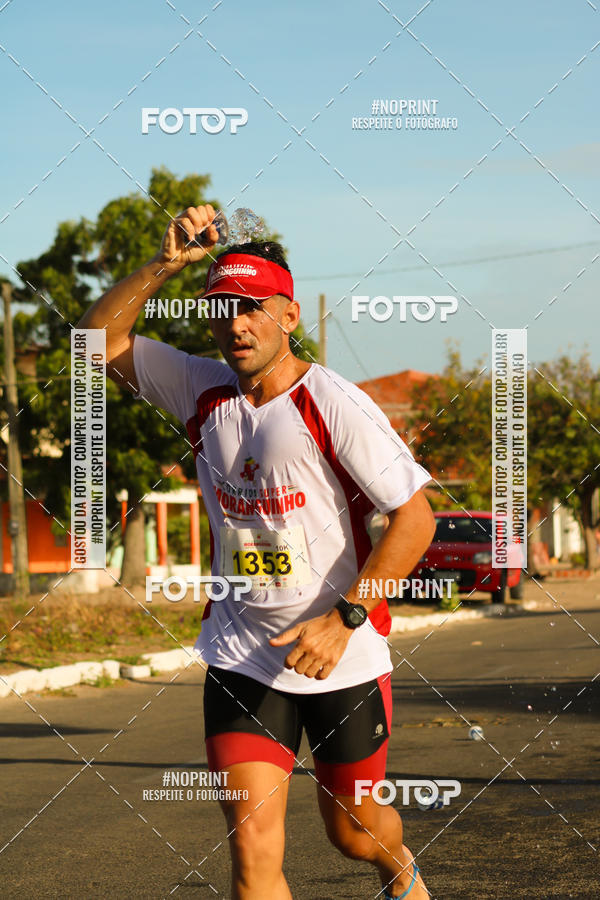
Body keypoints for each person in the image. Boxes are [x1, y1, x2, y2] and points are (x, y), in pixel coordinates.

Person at [79, 204, 435, 899]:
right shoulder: (201, 387)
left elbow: (414, 521)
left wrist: (345, 620)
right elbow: (93, 342)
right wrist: (165, 264)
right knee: (252, 854)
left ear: (289, 316)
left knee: (353, 830)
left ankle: (399, 868)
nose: (237, 324)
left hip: (342, 657)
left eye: (254, 308)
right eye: (222, 309)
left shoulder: (331, 401)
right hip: (242, 656)